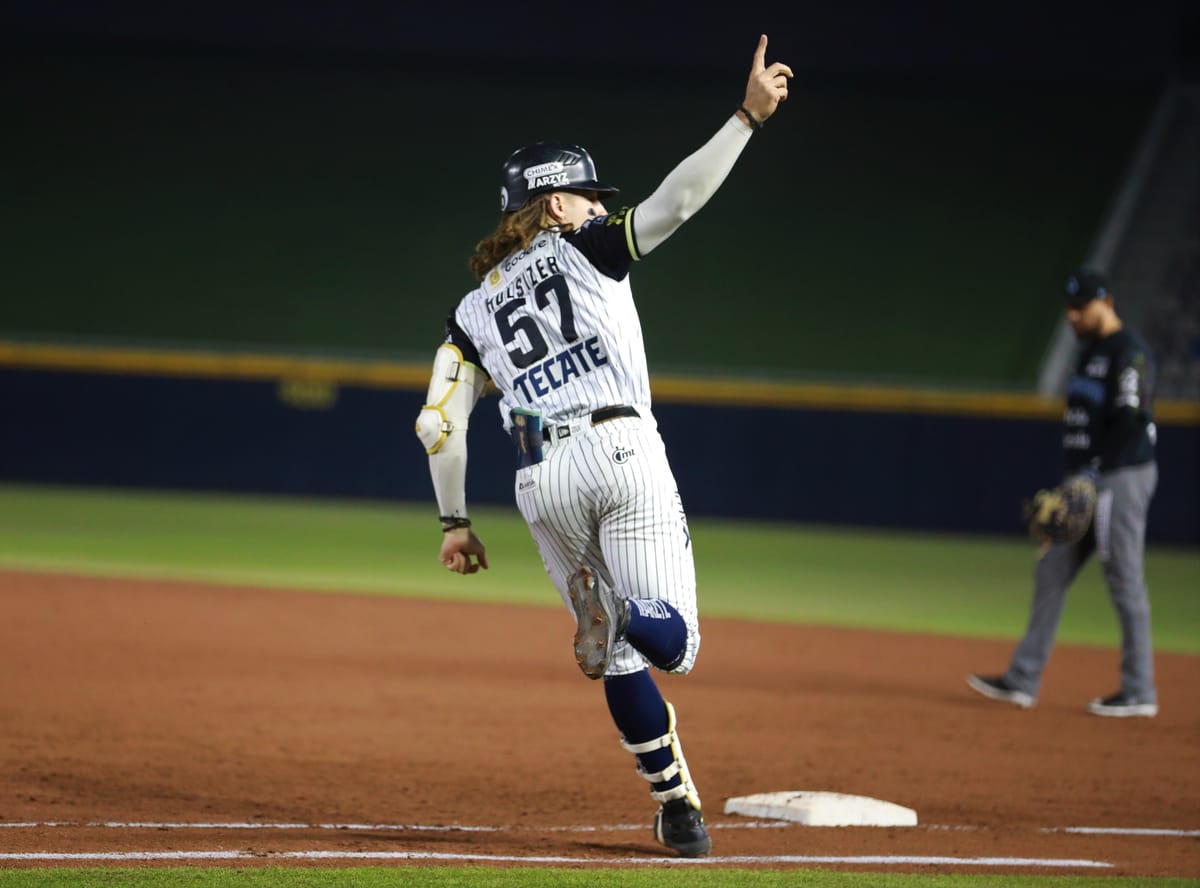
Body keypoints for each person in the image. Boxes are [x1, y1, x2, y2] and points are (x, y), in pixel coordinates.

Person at [413, 35, 792, 856]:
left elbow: (438, 423)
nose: (596, 206)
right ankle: (618, 607)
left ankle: (678, 808)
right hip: (620, 450)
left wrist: (454, 524)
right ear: (554, 205)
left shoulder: (470, 313)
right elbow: (676, 204)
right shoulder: (585, 248)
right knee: (674, 643)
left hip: (540, 476)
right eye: (587, 196)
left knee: (620, 662)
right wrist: (745, 120)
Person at [967, 268, 1160, 717]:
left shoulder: (1128, 352)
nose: (1073, 315)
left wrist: (1093, 475)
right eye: (1069, 308)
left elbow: (1132, 419)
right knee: (1052, 568)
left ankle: (1140, 689)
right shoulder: (1088, 352)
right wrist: (1074, 484)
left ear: (1106, 302)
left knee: (1124, 577)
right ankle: (1021, 679)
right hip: (1086, 483)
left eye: (1081, 307)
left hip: (1120, 477)